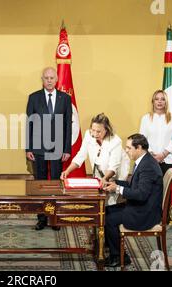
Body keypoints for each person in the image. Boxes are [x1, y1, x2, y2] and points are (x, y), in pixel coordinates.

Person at [102, 134, 163, 268]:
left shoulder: (147, 166)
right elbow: (134, 186)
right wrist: (114, 182)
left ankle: (118, 257)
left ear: (139, 148)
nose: (126, 151)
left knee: (109, 218)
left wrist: (117, 189)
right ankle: (112, 247)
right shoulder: (144, 161)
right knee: (106, 211)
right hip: (141, 207)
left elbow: (141, 194)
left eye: (129, 148)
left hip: (145, 213)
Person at [26, 67, 72, 230]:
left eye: (52, 77)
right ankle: (42, 218)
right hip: (38, 147)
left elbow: (68, 125)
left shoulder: (65, 98)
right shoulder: (34, 97)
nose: (49, 80)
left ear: (57, 79)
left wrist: (67, 149)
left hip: (58, 147)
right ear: (42, 79)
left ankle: (54, 218)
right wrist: (28, 148)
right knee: (40, 183)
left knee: (54, 182)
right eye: (46, 78)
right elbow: (29, 125)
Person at [60, 113, 129, 187]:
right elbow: (81, 155)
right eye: (93, 130)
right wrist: (67, 171)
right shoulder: (88, 135)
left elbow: (113, 167)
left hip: (117, 176)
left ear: (106, 130)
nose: (95, 134)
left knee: (112, 195)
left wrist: (104, 179)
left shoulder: (115, 141)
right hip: (99, 174)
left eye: (98, 131)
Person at [139, 89, 172, 175]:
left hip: (169, 160)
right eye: (157, 99)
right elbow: (142, 139)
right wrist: (153, 155)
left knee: (167, 188)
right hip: (150, 160)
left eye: (163, 99)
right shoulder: (145, 118)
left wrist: (163, 154)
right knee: (151, 188)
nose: (160, 101)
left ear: (166, 102)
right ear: (153, 101)